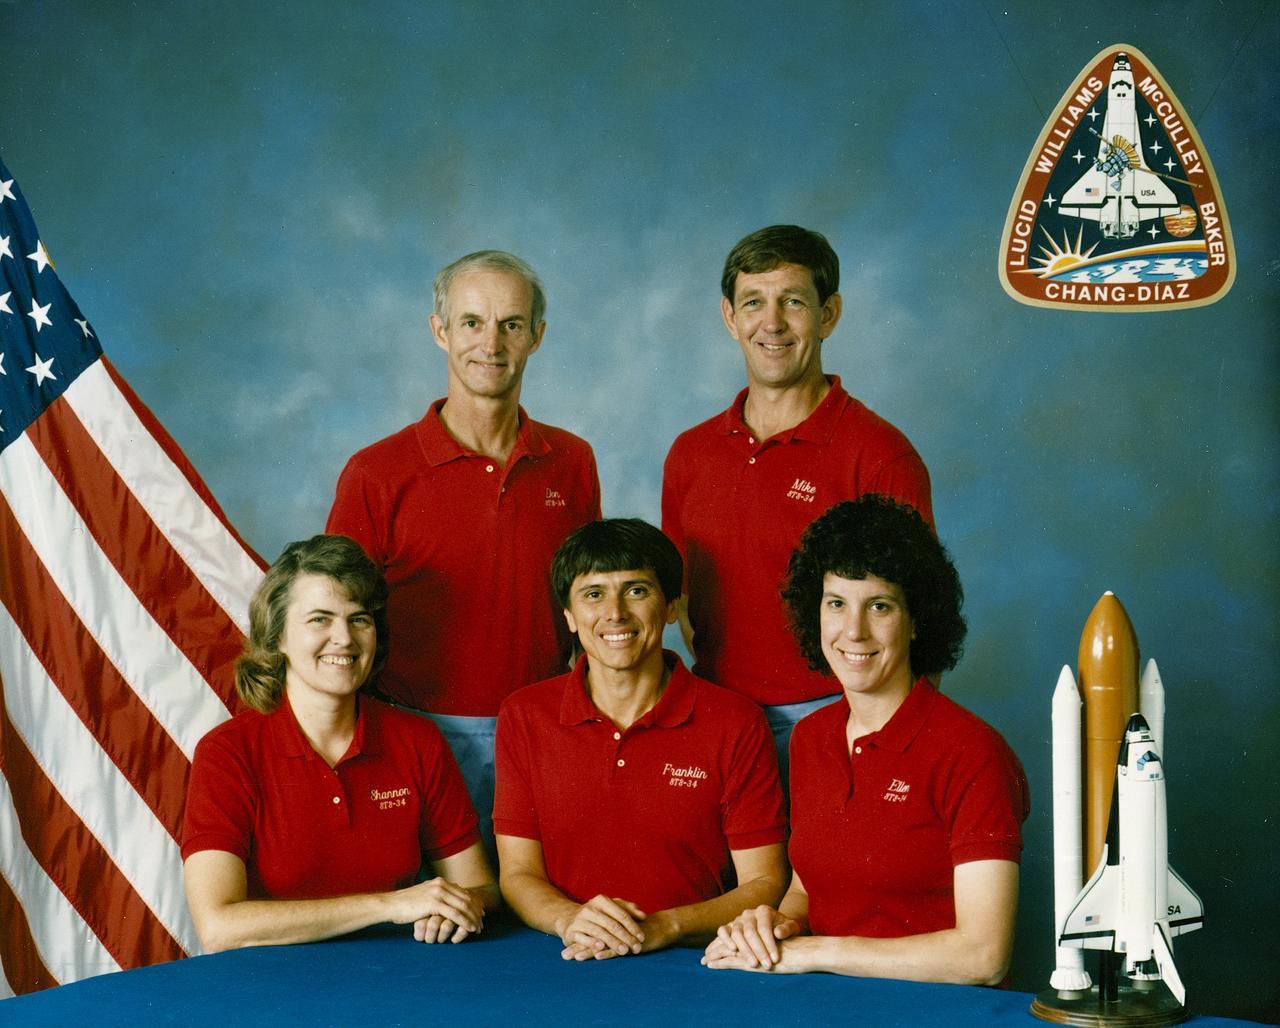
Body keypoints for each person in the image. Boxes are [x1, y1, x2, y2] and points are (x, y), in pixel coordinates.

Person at [326, 250, 601, 845]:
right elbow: (335, 622)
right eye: (472, 322)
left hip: (545, 735)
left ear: (537, 337)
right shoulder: (377, 473)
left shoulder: (572, 463)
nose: (491, 343)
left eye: (511, 324)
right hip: (412, 741)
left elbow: (588, 607)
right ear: (440, 330)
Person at [702, 496, 1029, 985]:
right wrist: (778, 924)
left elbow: (983, 956)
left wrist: (813, 953)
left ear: (917, 620)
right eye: (836, 603)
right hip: (826, 1004)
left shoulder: (971, 752)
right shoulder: (812, 739)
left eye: (879, 606)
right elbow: (808, 890)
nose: (853, 631)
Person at [661, 225, 933, 769]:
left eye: (793, 302)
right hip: (717, 725)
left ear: (828, 314)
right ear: (729, 316)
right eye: (754, 302)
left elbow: (919, 622)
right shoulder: (691, 455)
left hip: (839, 723)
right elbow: (683, 601)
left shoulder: (878, 456)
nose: (773, 324)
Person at [181, 535, 498, 952]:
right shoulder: (228, 753)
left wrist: (456, 905)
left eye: (359, 619)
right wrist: (389, 905)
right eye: (320, 619)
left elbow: (481, 886)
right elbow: (220, 927)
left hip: (400, 974)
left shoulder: (417, 741)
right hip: (274, 985)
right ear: (276, 637)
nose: (344, 638)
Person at [494, 519, 787, 960]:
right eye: (594, 594)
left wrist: (666, 926)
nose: (615, 613)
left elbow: (765, 882)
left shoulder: (735, 721)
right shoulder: (524, 715)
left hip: (694, 958)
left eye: (636, 590)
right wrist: (567, 919)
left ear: (670, 606)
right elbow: (517, 873)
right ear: (569, 617)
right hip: (565, 957)